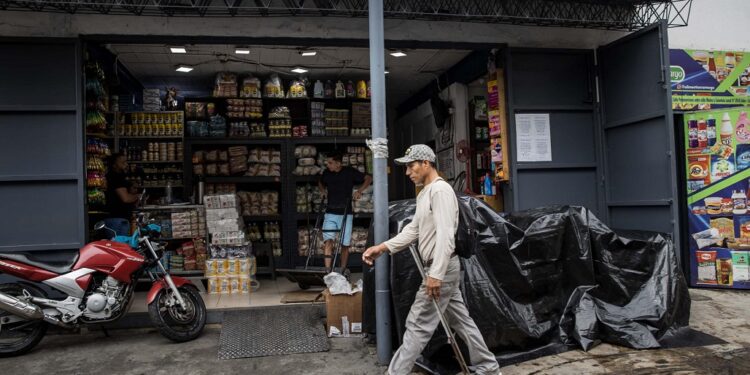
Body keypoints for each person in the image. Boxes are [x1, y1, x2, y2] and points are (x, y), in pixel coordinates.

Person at [362, 144, 500, 375]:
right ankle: (489, 368)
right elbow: (413, 230)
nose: (408, 172)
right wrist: (383, 247)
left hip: (440, 270)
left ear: (426, 163)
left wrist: (435, 275)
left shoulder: (440, 191)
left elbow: (446, 235)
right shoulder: (426, 192)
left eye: (411, 166)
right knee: (461, 321)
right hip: (440, 270)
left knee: (417, 325)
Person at [319, 151, 372, 275]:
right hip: (330, 212)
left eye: (330, 163)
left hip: (346, 213)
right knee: (328, 241)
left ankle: (342, 270)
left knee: (345, 243)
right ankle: (328, 271)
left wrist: (359, 191)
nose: (328, 165)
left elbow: (368, 178)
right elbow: (320, 182)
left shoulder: (349, 172)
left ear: (338, 164)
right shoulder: (327, 173)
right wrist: (322, 191)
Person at [104, 152, 141, 235]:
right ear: (114, 165)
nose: (126, 165)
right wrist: (138, 196)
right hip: (117, 220)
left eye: (126, 162)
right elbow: (126, 198)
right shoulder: (116, 177)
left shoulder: (118, 176)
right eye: (123, 163)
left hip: (118, 219)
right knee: (119, 246)